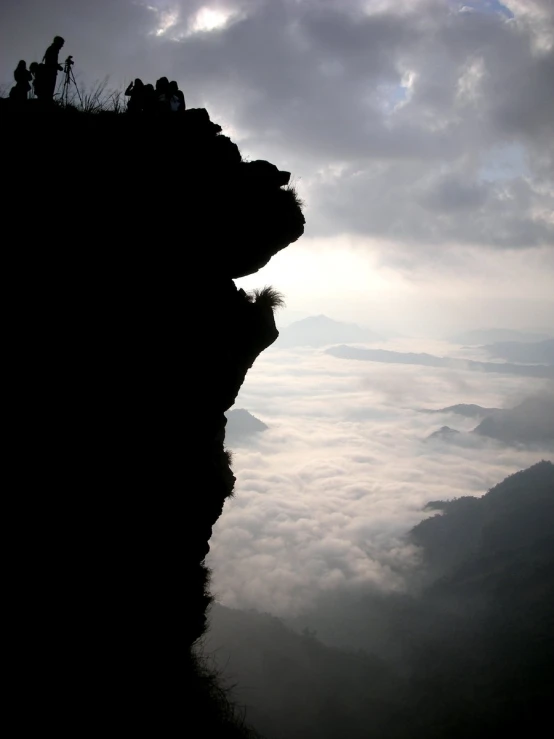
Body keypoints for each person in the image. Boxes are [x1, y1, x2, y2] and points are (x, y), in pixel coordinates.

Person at [42, 36, 65, 100]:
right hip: (50, 73)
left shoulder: (52, 49)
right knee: (49, 90)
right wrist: (58, 67)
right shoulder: (53, 49)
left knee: (49, 90)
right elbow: (51, 62)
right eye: (62, 44)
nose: (62, 46)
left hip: (50, 72)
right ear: (58, 42)